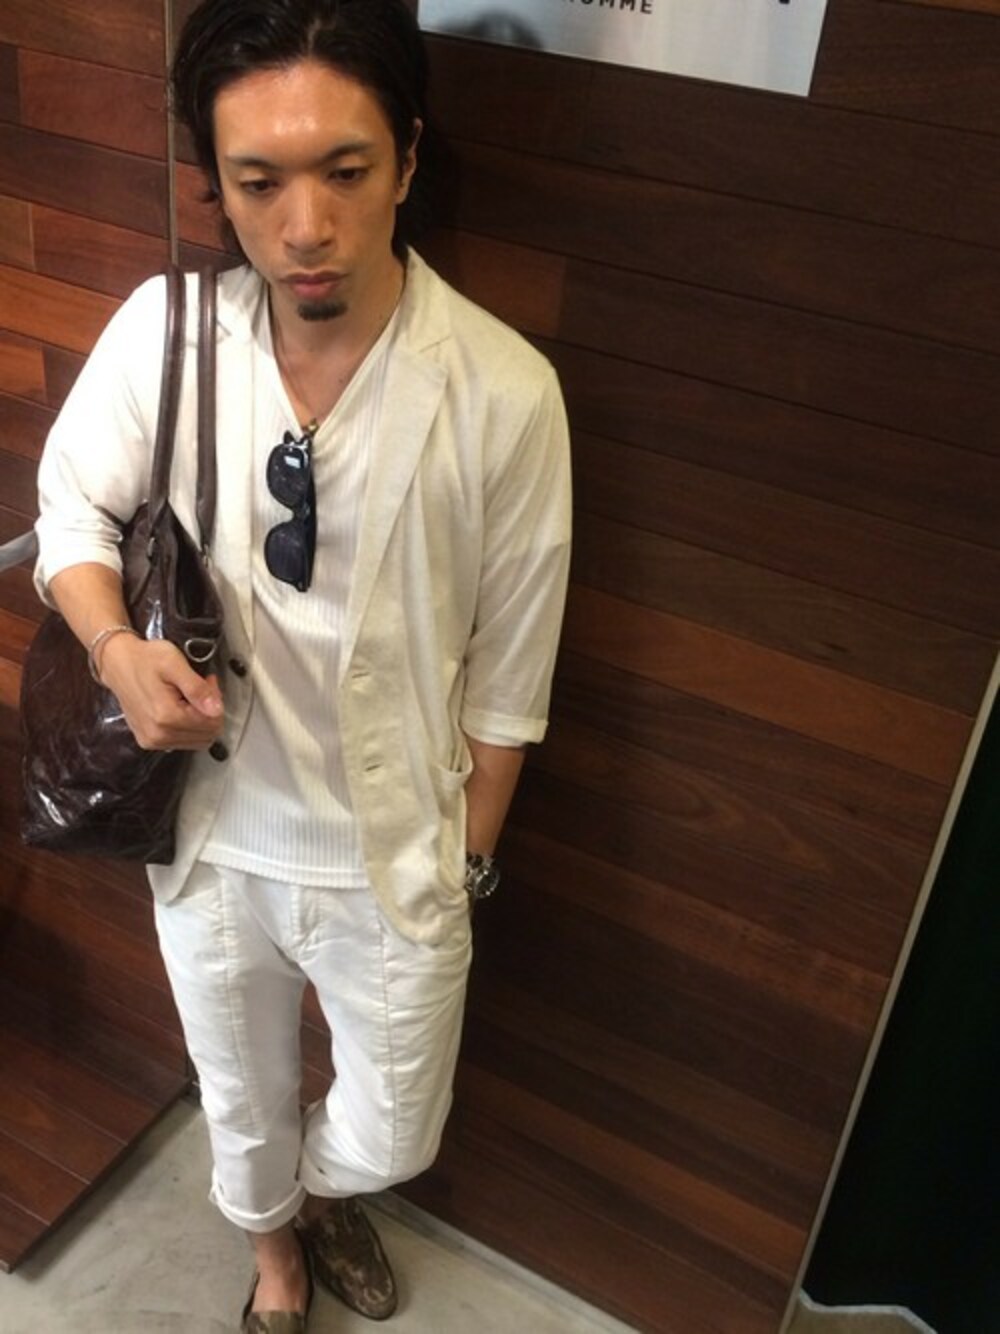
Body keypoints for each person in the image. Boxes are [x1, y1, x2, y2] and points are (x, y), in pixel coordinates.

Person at [32, 1, 572, 1330]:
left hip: (395, 852)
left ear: (407, 157)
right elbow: (71, 515)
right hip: (215, 836)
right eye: (260, 182)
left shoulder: (501, 391)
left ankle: (331, 1195)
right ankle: (275, 1256)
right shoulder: (168, 335)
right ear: (215, 184)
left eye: (345, 169)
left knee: (396, 1126)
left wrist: (463, 864)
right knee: (238, 1099)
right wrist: (116, 646)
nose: (307, 226)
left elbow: (511, 678)